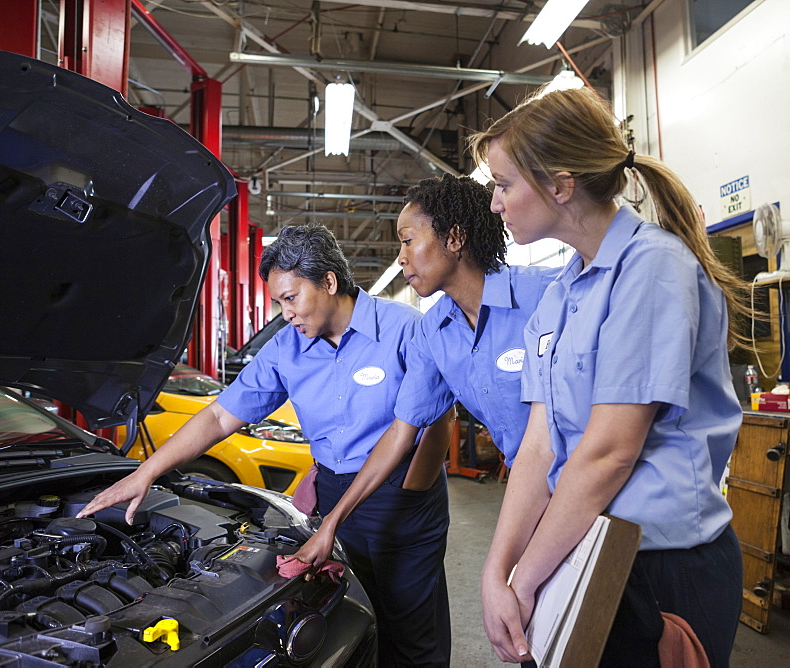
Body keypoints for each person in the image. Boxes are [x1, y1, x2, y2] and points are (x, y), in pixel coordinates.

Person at [77, 222, 455, 666]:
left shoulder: (405, 329)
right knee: (355, 615)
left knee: (413, 630)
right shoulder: (286, 349)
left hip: (403, 495)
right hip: (335, 494)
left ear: (329, 282)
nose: (285, 313)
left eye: (290, 298)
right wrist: (146, 472)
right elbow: (220, 415)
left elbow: (439, 416)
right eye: (278, 302)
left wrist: (413, 486)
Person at [469, 87, 753, 666]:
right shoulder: (561, 293)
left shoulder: (652, 269)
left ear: (560, 185)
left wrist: (524, 583)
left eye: (503, 186)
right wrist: (499, 570)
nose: (495, 204)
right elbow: (537, 446)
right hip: (580, 547)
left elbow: (608, 454)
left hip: (660, 565)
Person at [291, 173, 560, 577]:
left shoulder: (548, 296)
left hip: (601, 489)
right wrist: (331, 522)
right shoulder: (432, 333)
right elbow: (402, 433)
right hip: (534, 500)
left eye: (407, 240)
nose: (401, 257)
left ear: (453, 239)